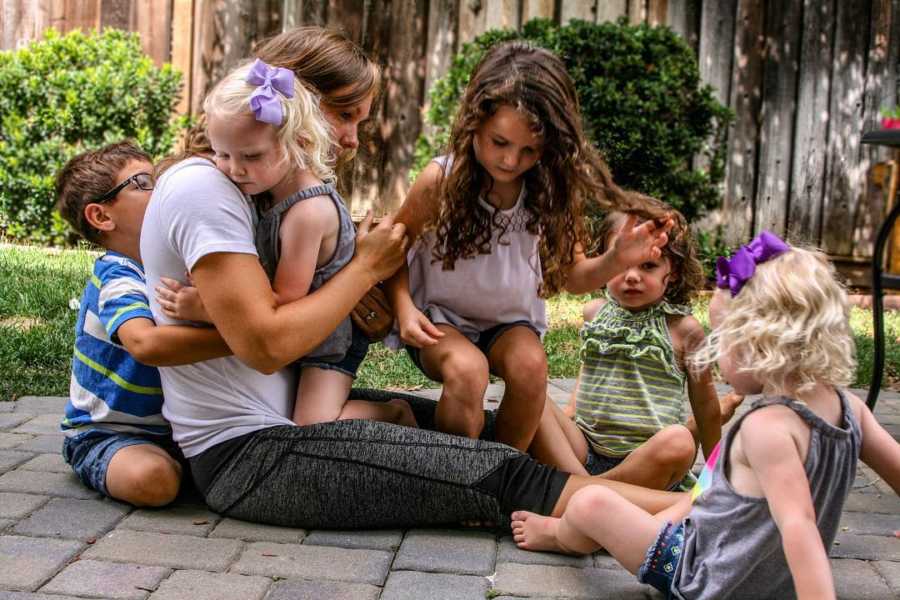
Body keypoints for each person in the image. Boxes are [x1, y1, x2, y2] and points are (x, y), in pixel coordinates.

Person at [140, 26, 683, 530]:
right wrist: (363, 272)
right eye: (344, 115)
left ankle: (630, 477)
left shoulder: (260, 186)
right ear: (294, 105)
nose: (353, 139)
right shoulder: (207, 187)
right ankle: (693, 514)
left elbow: (273, 314)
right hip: (254, 453)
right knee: (499, 473)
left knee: (496, 436)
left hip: (289, 416)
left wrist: (347, 298)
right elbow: (264, 343)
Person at [510, 233, 900, 600]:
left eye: (722, 340)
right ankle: (610, 526)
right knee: (682, 506)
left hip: (705, 576)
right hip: (768, 577)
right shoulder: (852, 409)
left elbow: (798, 526)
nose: (716, 356)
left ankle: (560, 534)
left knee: (591, 503)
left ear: (756, 344)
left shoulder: (767, 428)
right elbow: (707, 497)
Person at [385, 41, 672, 451]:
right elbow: (393, 246)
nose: (509, 161)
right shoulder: (440, 182)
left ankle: (505, 474)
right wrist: (404, 308)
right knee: (468, 372)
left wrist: (615, 259)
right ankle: (454, 477)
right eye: (499, 142)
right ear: (474, 124)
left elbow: (573, 278)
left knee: (531, 366)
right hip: (439, 318)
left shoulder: (551, 192)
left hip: (509, 323)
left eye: (528, 151)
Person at [158, 58, 415, 428]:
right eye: (222, 154)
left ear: (298, 142)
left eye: (250, 156)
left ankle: (393, 413)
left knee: (313, 423)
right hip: (304, 329)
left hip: (328, 342)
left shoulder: (306, 213)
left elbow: (284, 304)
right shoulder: (266, 186)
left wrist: (207, 307)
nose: (233, 169)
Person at [54, 141, 231, 506]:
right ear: (102, 217)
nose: (161, 189)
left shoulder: (179, 264)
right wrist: (244, 339)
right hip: (112, 433)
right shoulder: (117, 274)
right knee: (154, 480)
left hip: (181, 427)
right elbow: (145, 344)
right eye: (143, 183)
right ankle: (98, 462)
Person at [532, 194, 740, 489]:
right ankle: (591, 489)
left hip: (646, 460)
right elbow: (589, 372)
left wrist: (714, 473)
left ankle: (579, 490)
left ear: (674, 271)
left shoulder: (684, 330)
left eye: (647, 266)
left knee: (680, 441)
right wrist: (565, 418)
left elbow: (705, 406)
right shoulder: (594, 314)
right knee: (532, 396)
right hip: (585, 451)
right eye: (621, 265)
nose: (631, 276)